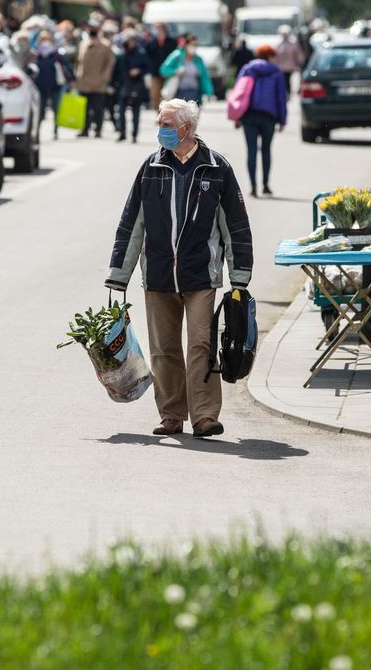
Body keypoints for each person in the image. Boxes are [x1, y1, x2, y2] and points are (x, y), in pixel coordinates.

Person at [105, 99, 253, 439]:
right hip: (157, 274)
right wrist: (119, 273)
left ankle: (204, 416)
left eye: (167, 124)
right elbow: (132, 224)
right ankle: (171, 414)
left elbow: (236, 226)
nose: (162, 130)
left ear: (187, 128)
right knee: (164, 349)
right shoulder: (151, 167)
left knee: (200, 344)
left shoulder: (216, 169)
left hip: (201, 273)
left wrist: (239, 275)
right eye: (160, 123)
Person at [235, 44, 287, 197]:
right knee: (266, 150)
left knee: (251, 150)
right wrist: (282, 120)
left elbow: (239, 92)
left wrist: (237, 116)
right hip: (269, 116)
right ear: (270, 56)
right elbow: (281, 98)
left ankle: (252, 186)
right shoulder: (276, 72)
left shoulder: (247, 69)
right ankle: (265, 185)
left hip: (249, 115)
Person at [76, 29, 116, 138]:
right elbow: (79, 61)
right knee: (84, 108)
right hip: (84, 82)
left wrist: (105, 77)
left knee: (98, 108)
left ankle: (98, 129)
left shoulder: (105, 46)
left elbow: (110, 62)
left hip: (98, 82)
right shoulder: (83, 44)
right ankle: (84, 129)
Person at [34, 31, 74, 137]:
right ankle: (37, 131)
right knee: (40, 111)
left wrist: (71, 80)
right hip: (40, 87)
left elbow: (68, 68)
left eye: (47, 40)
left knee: (56, 108)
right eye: (43, 40)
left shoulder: (56, 55)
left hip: (55, 86)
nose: (45, 43)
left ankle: (56, 130)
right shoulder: (36, 55)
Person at [114, 33, 152, 143]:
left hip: (137, 85)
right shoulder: (121, 54)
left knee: (136, 112)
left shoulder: (141, 54)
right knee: (121, 111)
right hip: (123, 85)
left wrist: (138, 71)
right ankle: (122, 133)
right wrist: (112, 84)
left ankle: (134, 134)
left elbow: (148, 67)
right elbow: (116, 71)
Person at [159, 34, 213, 104]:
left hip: (195, 93)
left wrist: (209, 92)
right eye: (192, 45)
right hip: (178, 93)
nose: (194, 47)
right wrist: (175, 71)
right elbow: (163, 70)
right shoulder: (177, 56)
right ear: (186, 45)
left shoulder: (198, 59)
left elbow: (205, 77)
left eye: (195, 45)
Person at [145, 23, 177, 111]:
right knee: (154, 95)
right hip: (155, 73)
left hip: (168, 74)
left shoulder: (172, 42)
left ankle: (167, 114)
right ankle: (159, 113)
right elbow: (147, 58)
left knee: (167, 95)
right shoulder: (151, 43)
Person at [273, 25, 304, 95]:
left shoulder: (293, 44)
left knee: (288, 80)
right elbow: (275, 56)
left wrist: (300, 62)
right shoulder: (278, 44)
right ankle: (284, 93)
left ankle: (288, 93)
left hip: (290, 66)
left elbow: (298, 54)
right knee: (283, 80)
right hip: (280, 67)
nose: (285, 36)